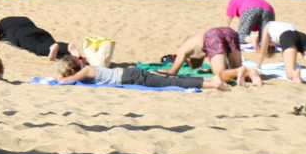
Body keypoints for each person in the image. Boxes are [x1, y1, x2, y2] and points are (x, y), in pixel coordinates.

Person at [156, 27, 261, 91]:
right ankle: (251, 73)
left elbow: (173, 72)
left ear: (188, 59)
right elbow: (200, 62)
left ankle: (240, 70)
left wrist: (164, 71)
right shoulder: (195, 41)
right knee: (234, 74)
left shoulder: (184, 49)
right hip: (229, 32)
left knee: (220, 76)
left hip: (213, 36)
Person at [55, 53, 206, 90]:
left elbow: (62, 81)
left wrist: (62, 77)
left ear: (73, 70)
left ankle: (211, 83)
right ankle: (210, 82)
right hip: (130, 74)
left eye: (67, 73)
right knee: (170, 80)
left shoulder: (85, 72)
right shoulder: (85, 69)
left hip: (132, 77)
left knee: (172, 82)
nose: (66, 75)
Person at [0, 15, 67, 61]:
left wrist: (1, 35)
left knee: (38, 47)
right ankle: (68, 47)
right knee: (51, 44)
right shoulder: (25, 18)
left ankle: (52, 48)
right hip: (39, 31)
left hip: (22, 35)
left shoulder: (3, 22)